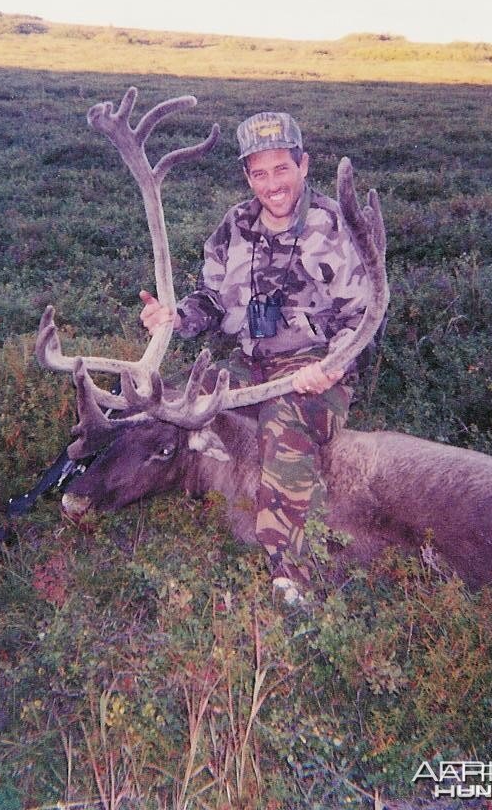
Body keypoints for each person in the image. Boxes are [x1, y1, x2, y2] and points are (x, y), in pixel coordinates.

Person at [140, 110, 379, 602]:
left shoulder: (335, 226)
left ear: (303, 165)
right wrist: (174, 317)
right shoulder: (235, 225)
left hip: (312, 369)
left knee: (285, 430)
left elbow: (363, 317)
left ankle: (291, 577)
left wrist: (330, 368)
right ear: (247, 176)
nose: (272, 184)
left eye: (281, 169)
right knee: (183, 396)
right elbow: (210, 299)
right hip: (251, 367)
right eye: (259, 173)